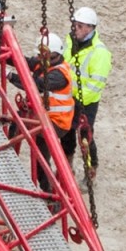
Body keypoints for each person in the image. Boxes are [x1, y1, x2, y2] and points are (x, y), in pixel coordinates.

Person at [68, 6, 113, 173]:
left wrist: (73, 96)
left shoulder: (100, 53)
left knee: (85, 136)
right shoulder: (70, 41)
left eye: (80, 26)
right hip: (69, 96)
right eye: (75, 25)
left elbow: (94, 87)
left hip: (86, 101)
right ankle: (67, 167)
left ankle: (91, 169)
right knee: (66, 132)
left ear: (90, 28)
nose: (75, 29)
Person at [30, 29, 76, 162]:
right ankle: (45, 181)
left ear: (51, 55)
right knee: (41, 161)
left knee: (18, 124)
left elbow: (36, 84)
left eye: (41, 54)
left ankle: (8, 155)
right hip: (47, 118)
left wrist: (10, 75)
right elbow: (27, 62)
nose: (38, 57)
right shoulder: (47, 63)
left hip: (57, 123)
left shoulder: (59, 75)